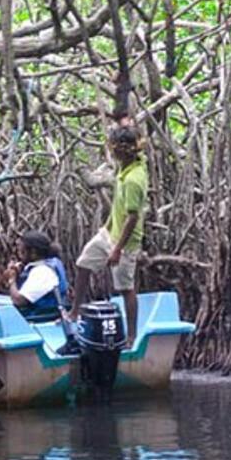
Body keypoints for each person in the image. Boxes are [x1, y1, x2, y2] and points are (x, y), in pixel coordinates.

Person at [72, 125, 146, 349]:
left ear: (122, 150)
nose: (113, 152)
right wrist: (106, 227)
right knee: (83, 264)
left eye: (115, 148)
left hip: (125, 241)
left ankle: (131, 337)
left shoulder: (134, 178)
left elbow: (132, 217)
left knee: (126, 288)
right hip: (108, 232)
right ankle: (74, 312)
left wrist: (117, 249)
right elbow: (119, 207)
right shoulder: (123, 169)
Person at [4, 230, 70, 318]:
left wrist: (12, 279)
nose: (18, 253)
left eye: (21, 250)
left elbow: (18, 301)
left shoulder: (43, 271)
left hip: (42, 318)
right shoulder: (45, 263)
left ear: (33, 252)